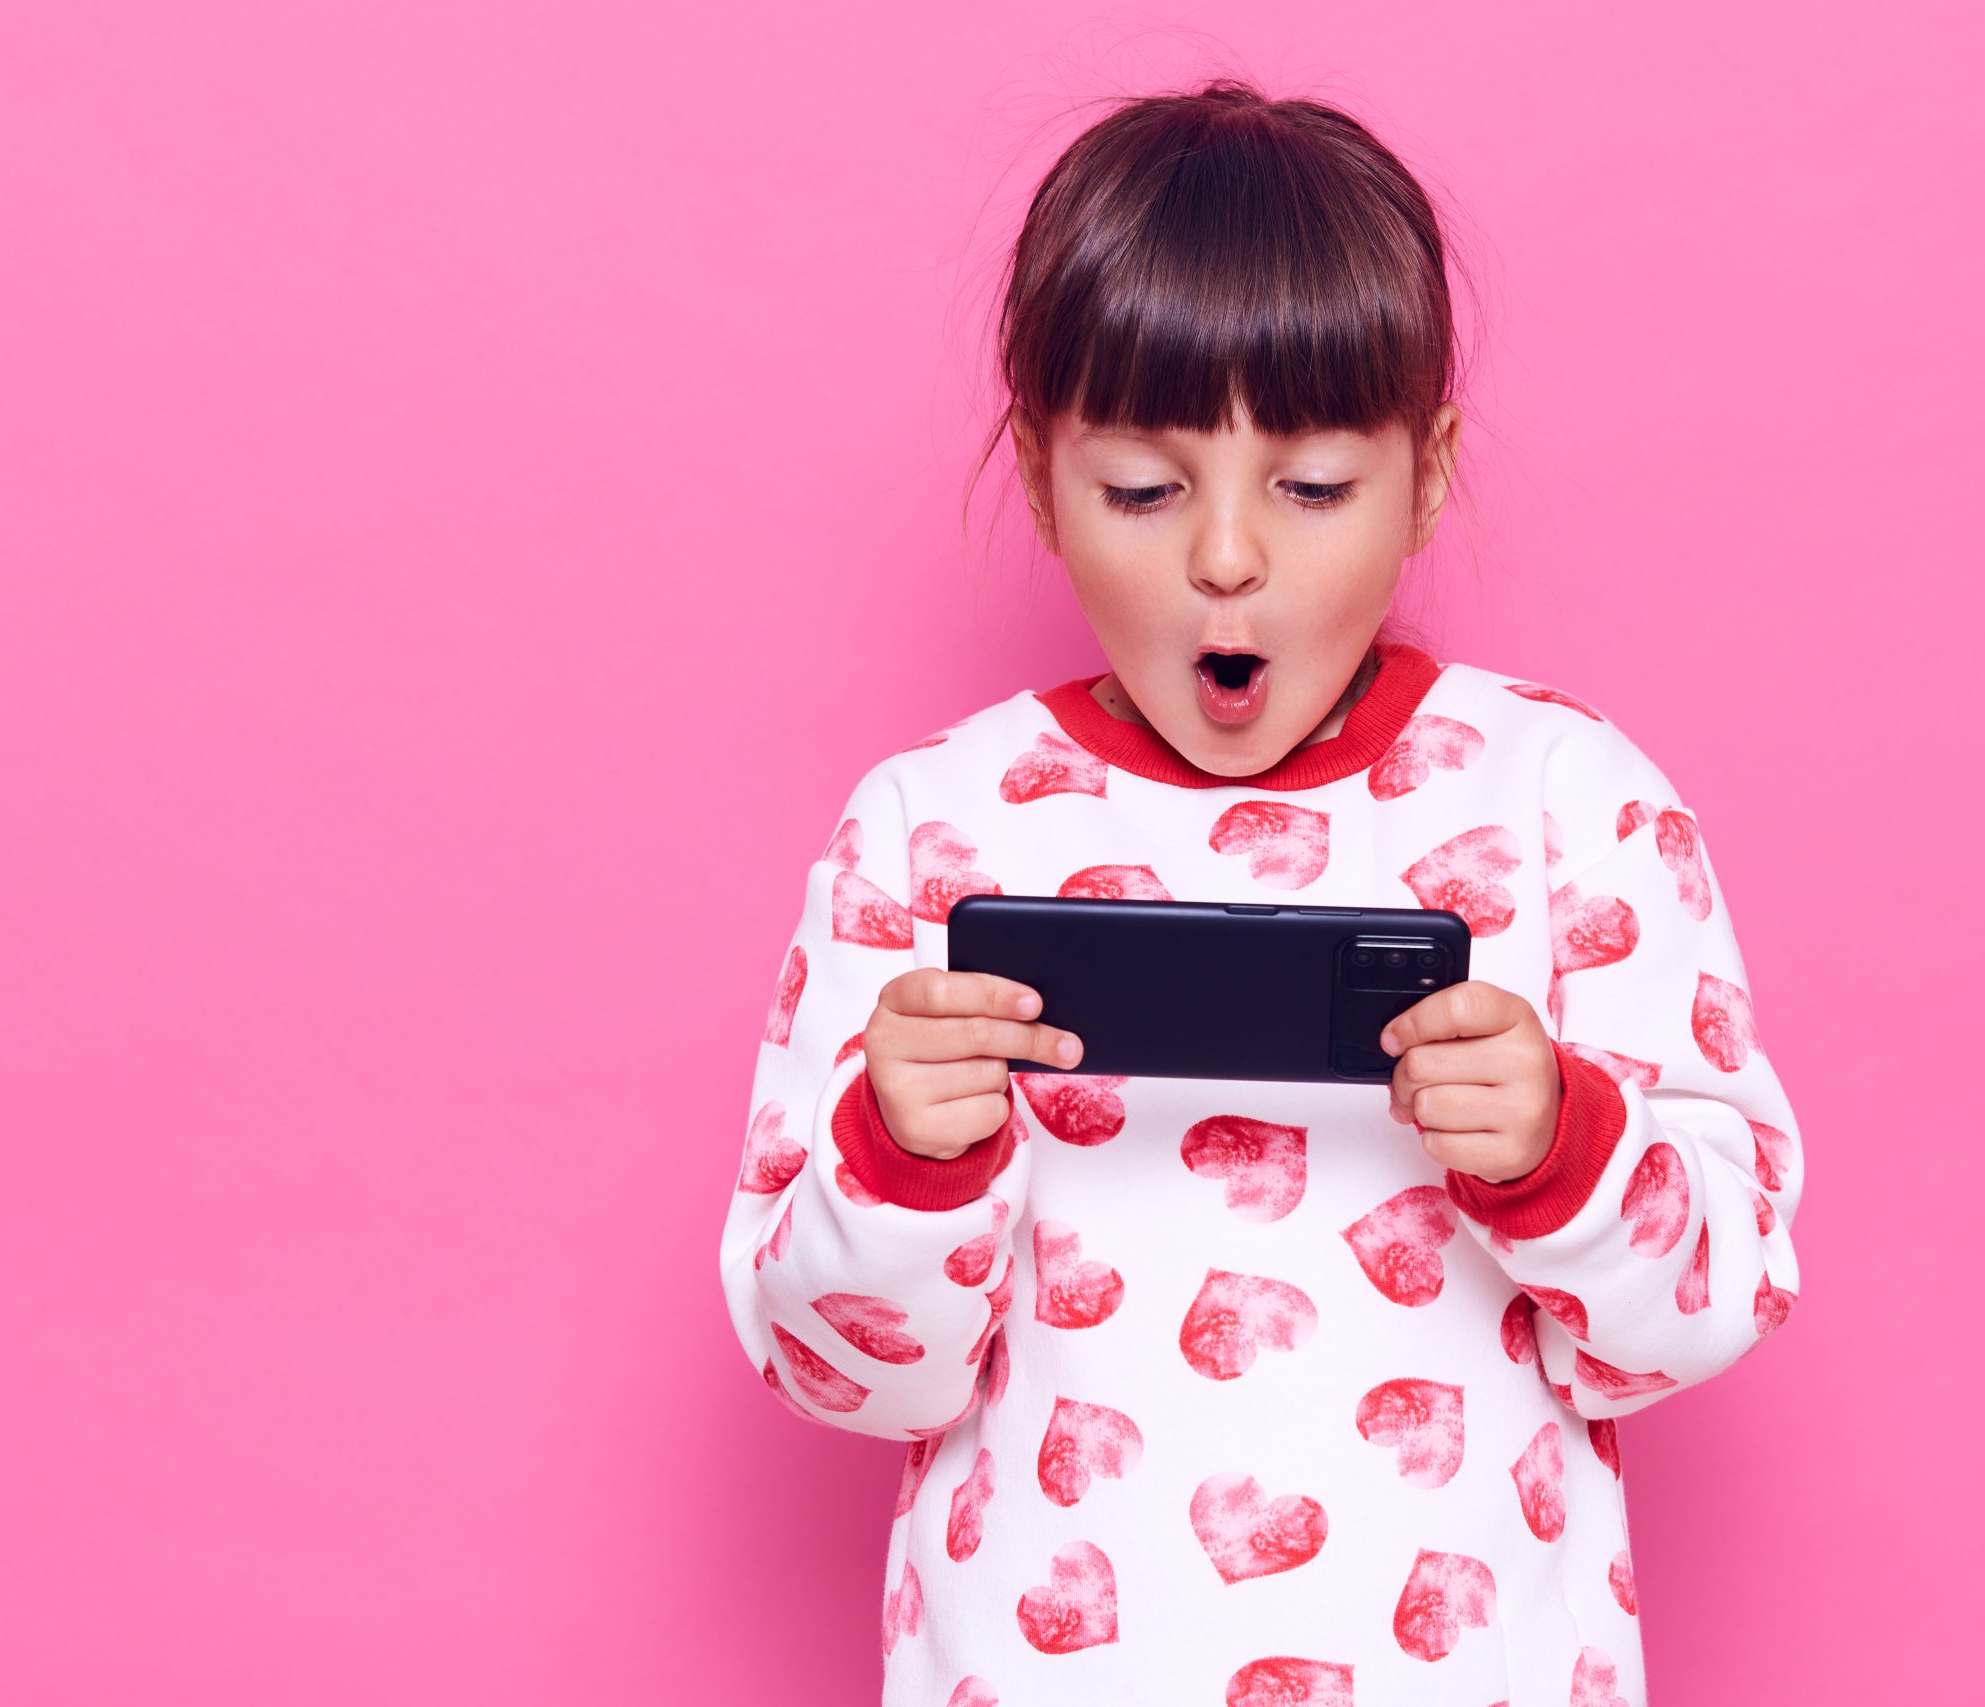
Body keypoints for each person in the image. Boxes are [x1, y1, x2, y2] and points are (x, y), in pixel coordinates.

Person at [720, 77, 1805, 1707]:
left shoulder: (1570, 802)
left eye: (1310, 489)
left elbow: (1712, 1308)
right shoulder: (928, 831)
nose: (1227, 558)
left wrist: (1560, 1148)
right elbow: (834, 1375)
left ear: (1426, 474)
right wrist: (905, 1158)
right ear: (1039, 474)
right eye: (1144, 491)